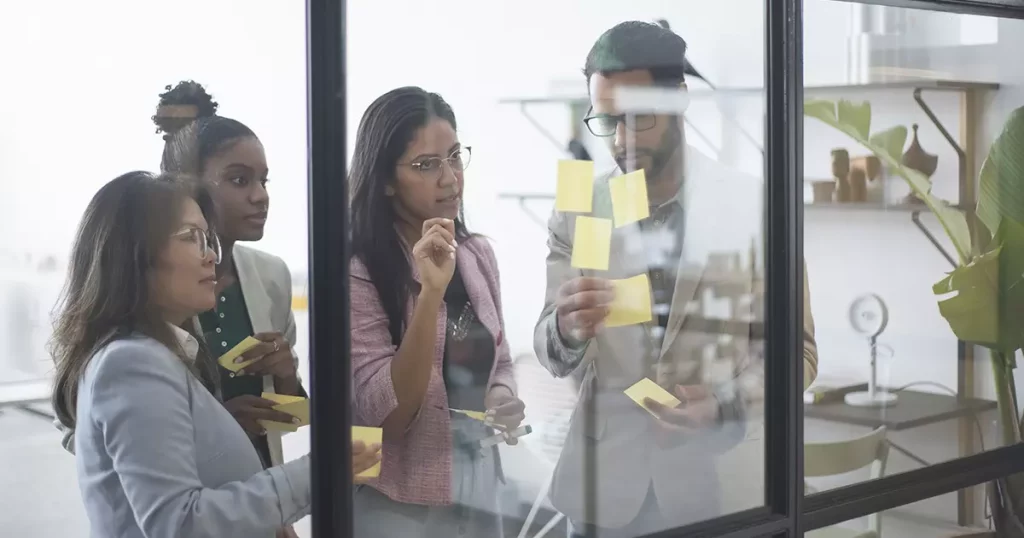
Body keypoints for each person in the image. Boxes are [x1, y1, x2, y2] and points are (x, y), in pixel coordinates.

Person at [533, 21, 819, 537]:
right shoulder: (580, 205)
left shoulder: (755, 204)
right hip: (603, 497)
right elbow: (549, 350)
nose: (621, 141)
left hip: (721, 493)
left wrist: (724, 405)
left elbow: (797, 353)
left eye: (638, 118)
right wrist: (566, 331)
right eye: (607, 120)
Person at [49, 171, 381, 537]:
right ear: (136, 255)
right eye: (192, 237)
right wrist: (320, 471)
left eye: (207, 239)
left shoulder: (160, 355)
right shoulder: (131, 364)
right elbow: (180, 524)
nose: (210, 256)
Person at [348, 86, 524, 537]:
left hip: (479, 481)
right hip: (398, 500)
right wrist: (430, 293)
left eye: (454, 157)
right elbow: (387, 415)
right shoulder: (358, 271)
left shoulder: (476, 253)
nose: (450, 179)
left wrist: (501, 397)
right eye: (426, 165)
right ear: (385, 179)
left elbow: (499, 360)